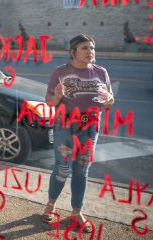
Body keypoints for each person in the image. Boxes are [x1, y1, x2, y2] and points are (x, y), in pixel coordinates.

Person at [42, 34, 114, 232]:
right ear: (72, 52)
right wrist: (56, 97)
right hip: (65, 125)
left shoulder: (101, 72)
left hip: (89, 127)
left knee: (82, 170)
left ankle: (76, 212)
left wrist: (108, 98)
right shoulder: (59, 72)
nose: (90, 52)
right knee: (62, 168)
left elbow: (109, 102)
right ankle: (51, 204)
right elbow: (49, 102)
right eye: (85, 48)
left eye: (92, 48)